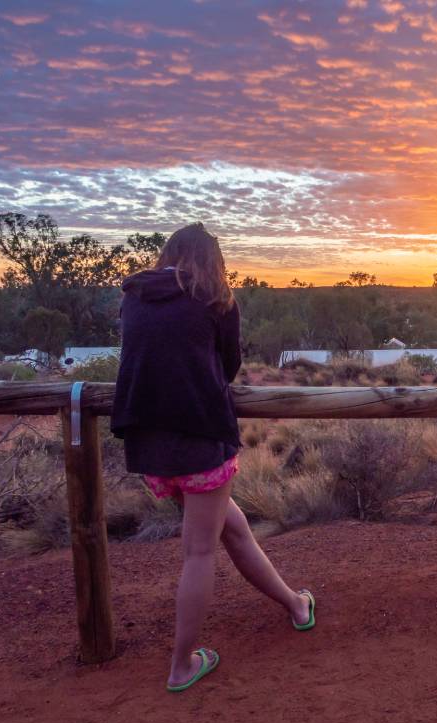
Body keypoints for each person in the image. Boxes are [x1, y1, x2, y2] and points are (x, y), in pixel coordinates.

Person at [112, 222, 315, 692]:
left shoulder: (135, 295)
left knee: (234, 531)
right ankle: (182, 665)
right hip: (200, 442)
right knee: (199, 552)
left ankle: (296, 605)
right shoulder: (215, 298)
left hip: (149, 447)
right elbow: (227, 367)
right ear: (214, 261)